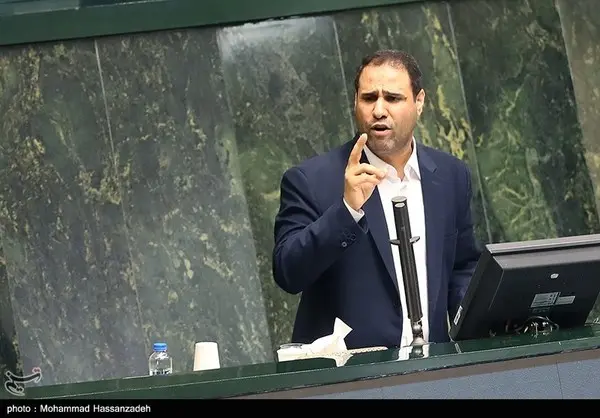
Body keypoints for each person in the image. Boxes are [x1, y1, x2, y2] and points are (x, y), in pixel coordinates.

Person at [272, 49, 481, 350]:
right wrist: (346, 211)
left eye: (393, 98)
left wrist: (477, 325)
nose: (379, 111)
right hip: (351, 372)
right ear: (355, 102)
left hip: (435, 365)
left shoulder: (451, 176)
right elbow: (288, 273)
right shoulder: (311, 180)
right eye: (369, 98)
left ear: (419, 102)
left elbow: (463, 267)